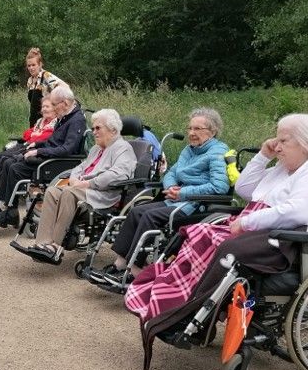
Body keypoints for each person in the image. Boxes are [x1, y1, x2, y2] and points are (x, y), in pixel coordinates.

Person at [125, 113, 308, 324]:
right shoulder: (282, 168)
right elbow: (243, 189)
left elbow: (297, 212)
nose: (277, 147)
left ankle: (195, 308)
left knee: (220, 244)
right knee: (198, 232)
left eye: (283, 141)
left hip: (277, 238)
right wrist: (262, 156)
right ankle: (181, 299)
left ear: (306, 143)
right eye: (276, 140)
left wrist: (247, 222)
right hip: (254, 227)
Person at [89, 108, 230, 285]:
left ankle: (135, 269)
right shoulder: (189, 150)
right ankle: (120, 263)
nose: (192, 133)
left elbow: (220, 186)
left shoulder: (217, 152)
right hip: (175, 199)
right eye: (190, 128)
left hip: (196, 205)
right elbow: (172, 172)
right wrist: (171, 186)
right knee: (136, 212)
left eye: (197, 129)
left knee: (149, 216)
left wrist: (183, 192)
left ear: (212, 131)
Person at [13, 109, 136, 263]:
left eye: (98, 128)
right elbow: (80, 167)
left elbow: (119, 175)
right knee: (52, 192)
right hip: (81, 190)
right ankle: (42, 243)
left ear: (112, 129)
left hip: (102, 195)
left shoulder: (123, 148)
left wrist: (87, 183)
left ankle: (56, 245)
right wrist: (74, 179)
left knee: (68, 193)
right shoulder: (96, 149)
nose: (94, 132)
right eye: (93, 128)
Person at [0, 85, 86, 228]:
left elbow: (67, 149)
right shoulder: (65, 116)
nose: (54, 108)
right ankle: (4, 206)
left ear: (66, 103)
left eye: (55, 105)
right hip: (49, 156)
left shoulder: (76, 120)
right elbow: (53, 141)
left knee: (14, 168)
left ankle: (9, 213)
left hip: (56, 162)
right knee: (8, 163)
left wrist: (39, 152)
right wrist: (37, 145)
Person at [0, 95, 57, 202]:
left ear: (55, 108)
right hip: (26, 144)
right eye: (43, 106)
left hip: (33, 149)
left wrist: (34, 134)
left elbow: (43, 137)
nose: (44, 109)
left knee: (2, 159)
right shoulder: (41, 121)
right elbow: (27, 134)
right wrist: (35, 134)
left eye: (47, 107)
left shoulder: (55, 124)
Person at [25, 47, 64, 127]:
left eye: (33, 65)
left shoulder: (46, 76)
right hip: (34, 122)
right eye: (29, 65)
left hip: (47, 122)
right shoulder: (30, 81)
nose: (31, 68)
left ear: (40, 64)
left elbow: (64, 87)